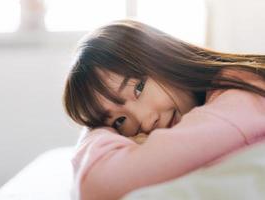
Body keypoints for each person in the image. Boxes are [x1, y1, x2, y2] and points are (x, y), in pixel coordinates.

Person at [63, 19, 265, 200]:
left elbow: (96, 184)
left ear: (162, 56)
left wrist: (95, 134)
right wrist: (95, 126)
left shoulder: (240, 93)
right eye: (120, 121)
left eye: (138, 88)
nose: (145, 121)